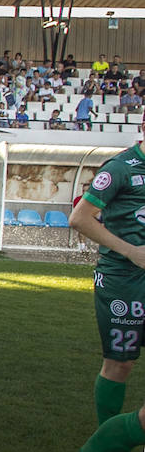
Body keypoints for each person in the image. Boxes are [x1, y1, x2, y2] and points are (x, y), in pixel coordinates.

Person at [69, 119, 145, 451]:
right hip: (122, 279)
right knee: (120, 363)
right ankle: (108, 438)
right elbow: (79, 218)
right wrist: (131, 251)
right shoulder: (120, 168)